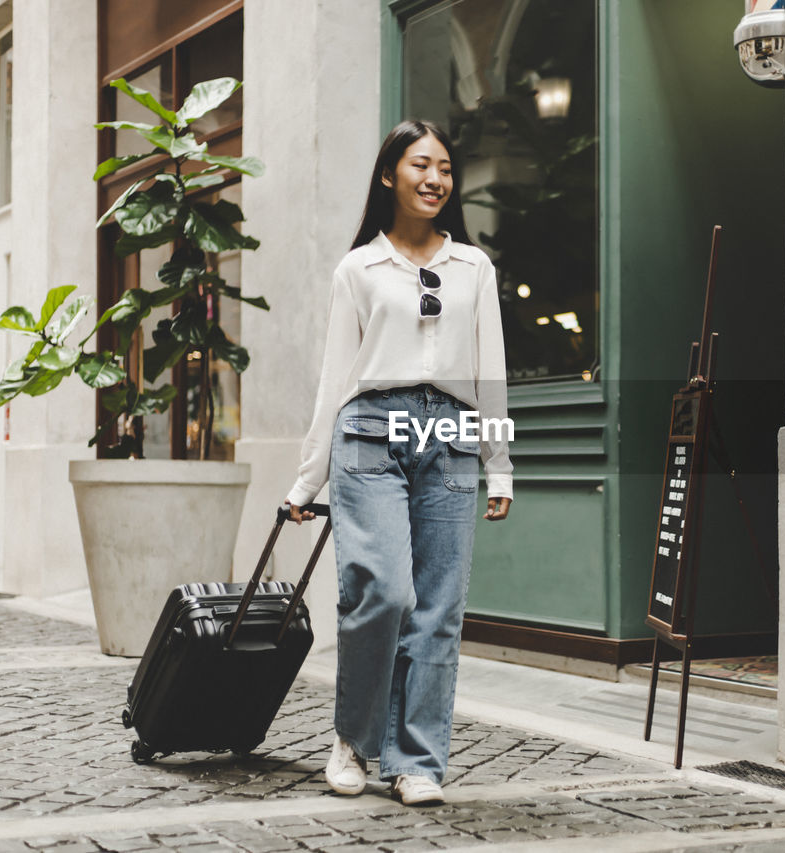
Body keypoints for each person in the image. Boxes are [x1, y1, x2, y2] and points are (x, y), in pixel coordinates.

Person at [284, 119, 513, 806]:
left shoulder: (474, 267)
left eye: (444, 167)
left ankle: (418, 761)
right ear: (390, 175)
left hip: (449, 430)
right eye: (420, 164)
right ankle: (354, 738)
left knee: (439, 606)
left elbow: (492, 373)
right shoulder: (358, 268)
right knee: (381, 590)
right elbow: (334, 380)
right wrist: (307, 478)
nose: (434, 178)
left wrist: (498, 462)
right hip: (368, 430)